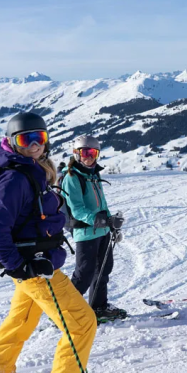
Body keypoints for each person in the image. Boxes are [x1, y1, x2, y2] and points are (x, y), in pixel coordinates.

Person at [0, 113, 97, 373]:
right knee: (82, 323)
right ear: (12, 141)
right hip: (34, 268)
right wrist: (19, 267)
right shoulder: (16, 179)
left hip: (34, 265)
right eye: (25, 138)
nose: (34, 144)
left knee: (19, 323)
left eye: (39, 138)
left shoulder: (28, 170)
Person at [61, 135, 126, 322]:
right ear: (76, 154)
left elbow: (101, 205)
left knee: (104, 269)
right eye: (84, 152)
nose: (88, 156)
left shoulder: (93, 174)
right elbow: (77, 209)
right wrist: (101, 220)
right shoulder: (72, 177)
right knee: (84, 274)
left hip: (102, 231)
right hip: (85, 233)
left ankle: (98, 307)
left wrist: (110, 223)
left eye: (92, 152)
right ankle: (64, 312)